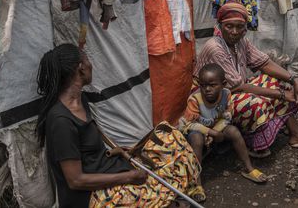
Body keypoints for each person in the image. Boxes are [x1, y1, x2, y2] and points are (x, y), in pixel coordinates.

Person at [36, 44, 200, 208]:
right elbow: (75, 180)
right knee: (158, 195)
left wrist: (116, 150)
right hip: (90, 196)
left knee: (173, 141)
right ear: (81, 69)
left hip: (109, 170)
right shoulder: (60, 121)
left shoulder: (80, 100)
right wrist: (129, 177)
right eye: (87, 59)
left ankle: (174, 199)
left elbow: (88, 147)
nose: (90, 64)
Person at [193, 1, 298, 157]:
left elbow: (264, 63)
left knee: (274, 82)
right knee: (257, 103)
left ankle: (296, 134)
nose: (234, 31)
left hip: (230, 94)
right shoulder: (215, 48)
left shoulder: (241, 43)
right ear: (220, 26)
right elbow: (239, 87)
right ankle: (254, 143)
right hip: (209, 104)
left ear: (245, 29)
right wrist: (282, 95)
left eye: (239, 27)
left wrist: (295, 80)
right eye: (229, 26)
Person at [178, 63, 267, 202]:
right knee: (197, 139)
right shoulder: (195, 100)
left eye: (212, 85)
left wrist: (216, 131)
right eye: (203, 85)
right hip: (195, 131)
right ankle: (196, 184)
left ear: (223, 84)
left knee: (233, 131)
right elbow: (189, 125)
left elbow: (227, 116)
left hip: (216, 128)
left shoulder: (226, 94)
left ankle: (249, 169)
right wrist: (211, 133)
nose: (207, 89)